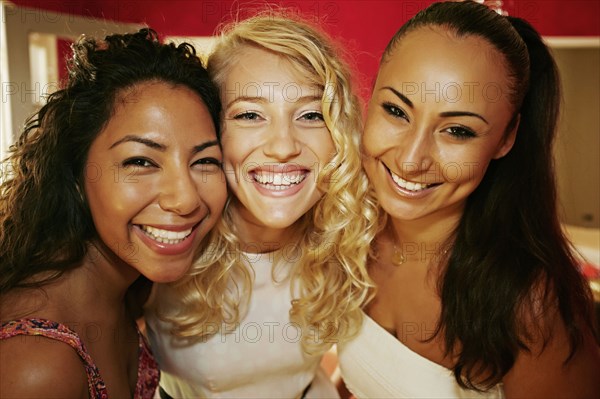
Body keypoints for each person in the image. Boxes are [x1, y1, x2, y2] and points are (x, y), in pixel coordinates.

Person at [337, 1, 600, 398]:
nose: (411, 159)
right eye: (395, 110)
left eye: (457, 131)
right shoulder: (347, 230)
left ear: (506, 138)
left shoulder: (530, 305)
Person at [144, 13, 378, 398]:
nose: (283, 145)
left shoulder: (352, 237)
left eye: (310, 114)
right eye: (250, 114)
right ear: (211, 131)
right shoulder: (165, 241)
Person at [0, 29, 227, 398]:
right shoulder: (35, 366)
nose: (185, 199)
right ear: (75, 174)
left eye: (204, 160)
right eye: (140, 161)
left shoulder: (129, 288)